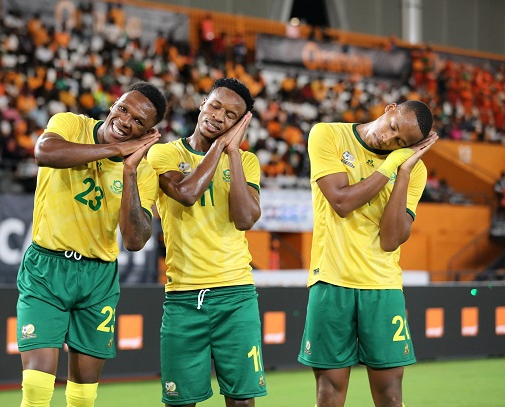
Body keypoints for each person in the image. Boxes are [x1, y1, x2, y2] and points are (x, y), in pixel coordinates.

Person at [16, 82, 167, 407]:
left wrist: (128, 169)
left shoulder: (143, 169)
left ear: (148, 131)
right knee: (36, 388)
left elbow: (135, 240)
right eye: (124, 108)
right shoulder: (71, 123)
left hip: (98, 278)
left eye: (138, 121)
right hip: (47, 269)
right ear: (114, 103)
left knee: (83, 397)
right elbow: (45, 152)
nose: (125, 120)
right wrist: (115, 151)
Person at [298, 100, 438, 407]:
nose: (389, 140)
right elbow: (341, 201)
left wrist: (402, 173)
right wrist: (389, 166)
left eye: (401, 143)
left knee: (390, 395)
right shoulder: (327, 135)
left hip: (383, 287)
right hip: (331, 281)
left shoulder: (415, 170)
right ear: (389, 109)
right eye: (393, 128)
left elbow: (390, 239)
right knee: (329, 394)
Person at [147, 78, 267, 406]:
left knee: (242, 400)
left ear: (240, 124)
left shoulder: (248, 161)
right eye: (215, 105)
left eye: (231, 115)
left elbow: (245, 219)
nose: (219, 116)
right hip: (183, 298)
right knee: (181, 401)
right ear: (202, 103)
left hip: (236, 295)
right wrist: (221, 146)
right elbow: (186, 193)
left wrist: (234, 155)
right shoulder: (163, 153)